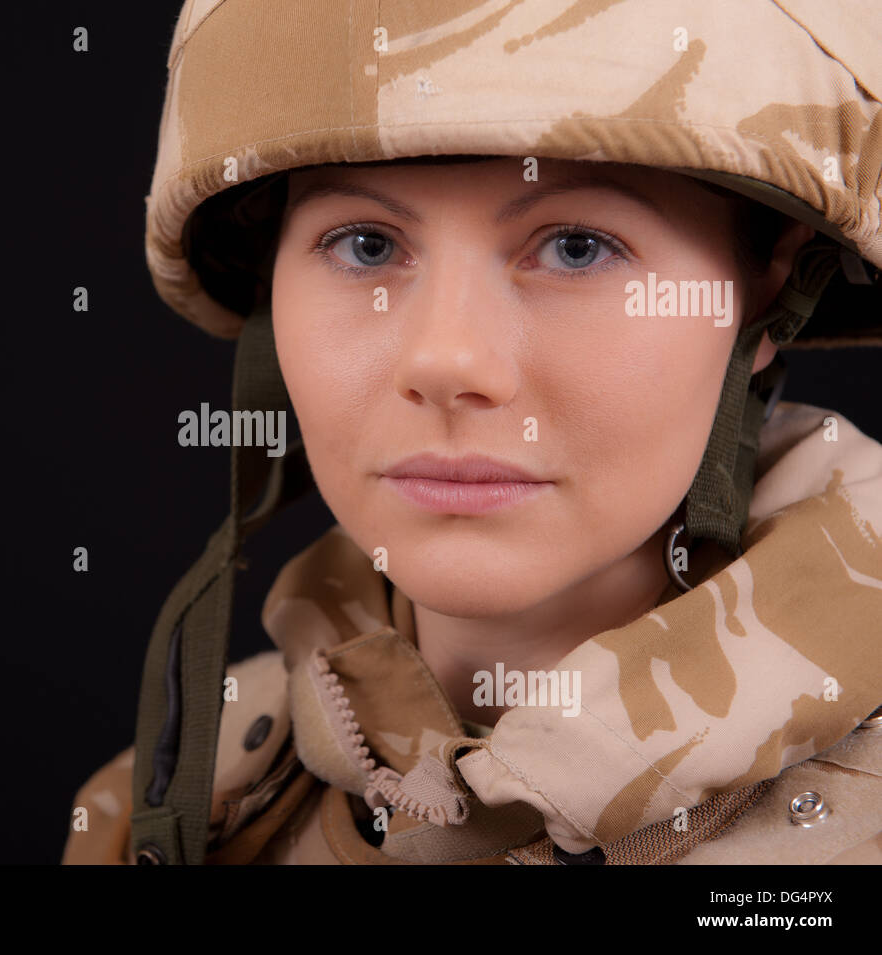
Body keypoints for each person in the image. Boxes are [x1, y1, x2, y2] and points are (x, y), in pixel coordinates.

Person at [63, 0, 882, 865]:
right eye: (368, 247)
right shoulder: (175, 800)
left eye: (575, 246)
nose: (449, 361)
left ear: (762, 300)